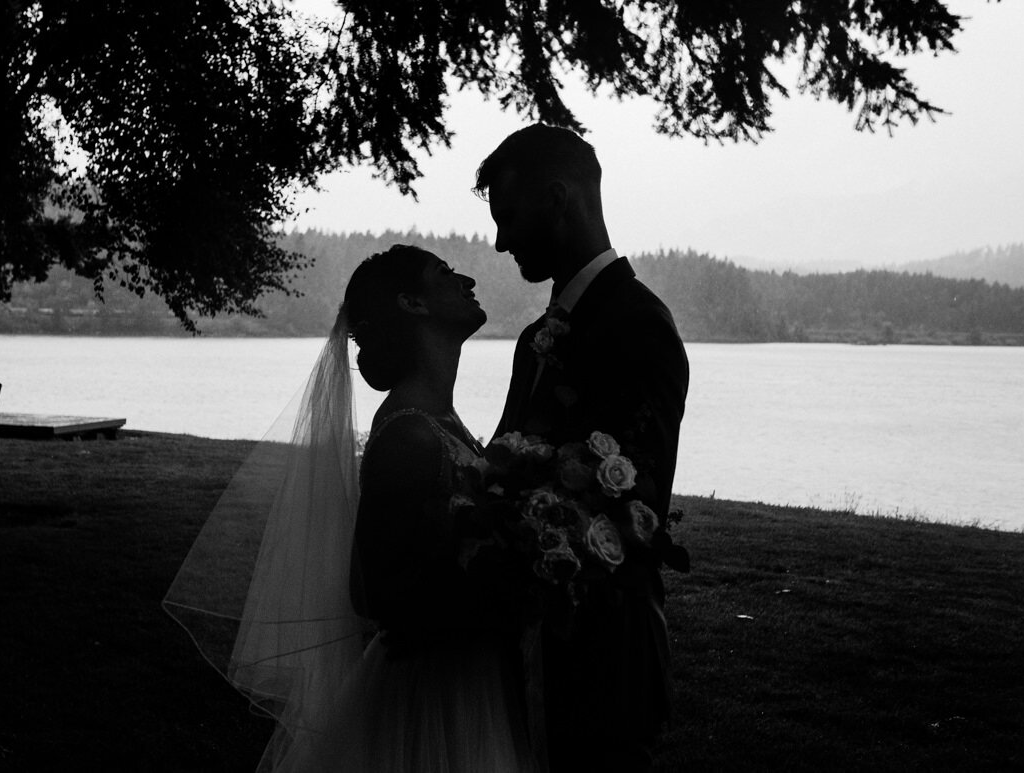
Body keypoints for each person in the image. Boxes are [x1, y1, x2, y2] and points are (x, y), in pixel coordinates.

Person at [165, 244, 538, 772]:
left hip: (470, 679)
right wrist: (506, 592)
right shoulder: (409, 435)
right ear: (412, 303)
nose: (468, 279)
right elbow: (376, 596)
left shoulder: (438, 423)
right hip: (434, 696)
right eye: (446, 272)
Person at [475, 123, 691, 770]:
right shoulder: (536, 336)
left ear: (559, 199)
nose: (501, 239)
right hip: (532, 646)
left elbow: (636, 500)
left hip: (607, 652)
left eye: (509, 217)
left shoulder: (639, 325)